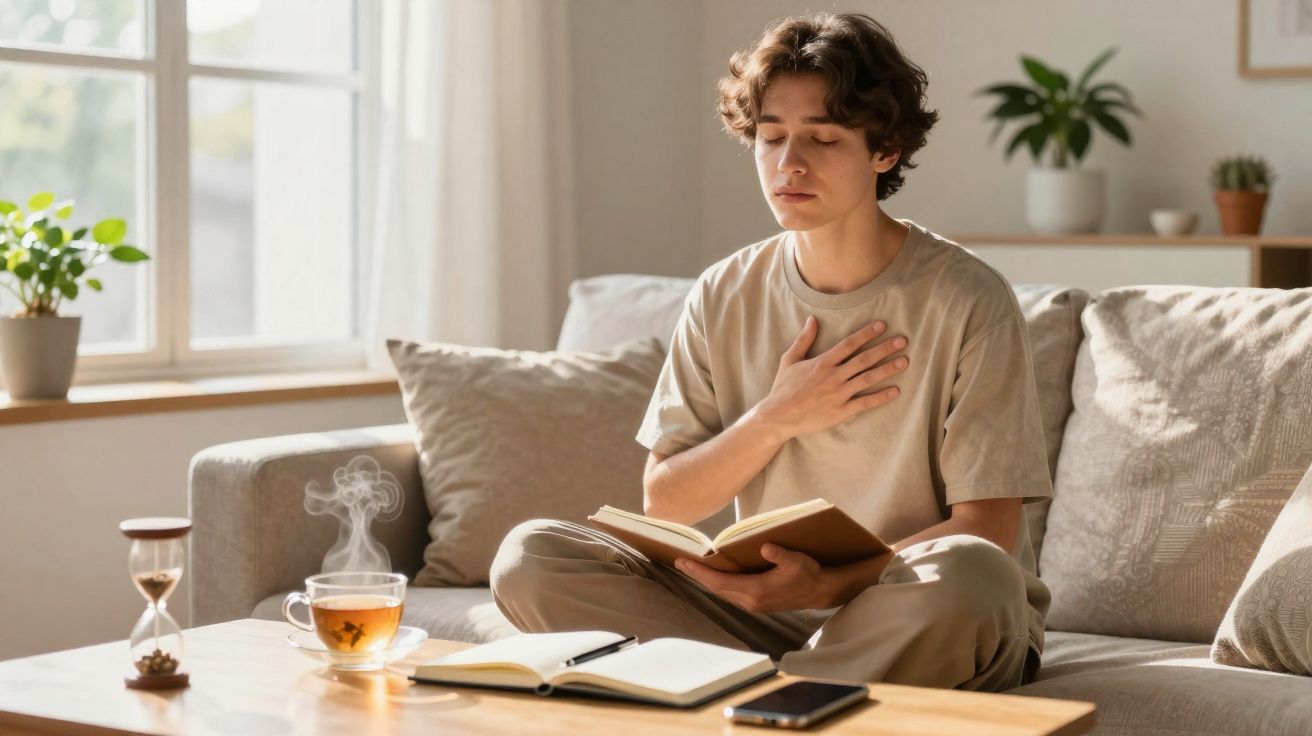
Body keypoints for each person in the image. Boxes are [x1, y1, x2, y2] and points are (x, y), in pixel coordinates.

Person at [490, 11, 1053, 691]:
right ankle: (796, 697)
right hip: (757, 615)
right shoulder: (723, 292)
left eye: (823, 138)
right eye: (771, 137)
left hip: (911, 606)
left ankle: (757, 697)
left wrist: (828, 582)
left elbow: (985, 531)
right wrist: (778, 417)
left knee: (972, 571)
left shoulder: (969, 298)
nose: (790, 164)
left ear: (885, 150)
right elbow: (664, 500)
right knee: (532, 556)